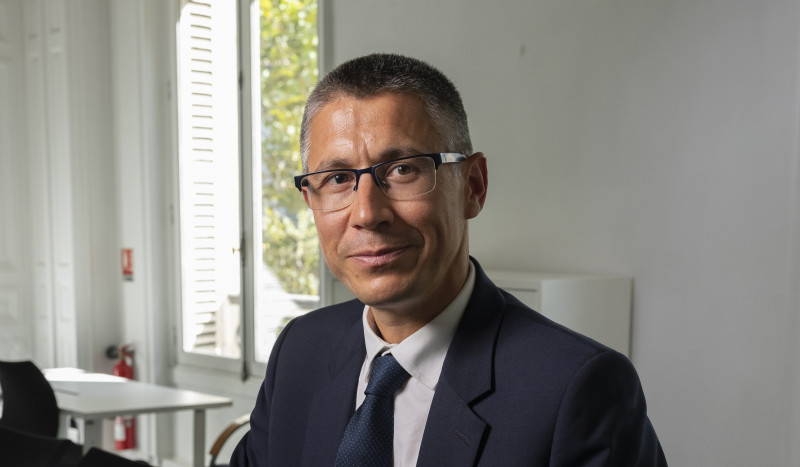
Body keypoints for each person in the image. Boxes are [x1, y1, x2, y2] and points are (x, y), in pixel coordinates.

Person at [231, 53, 666, 466]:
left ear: (473, 186)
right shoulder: (300, 351)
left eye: (403, 169)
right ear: (310, 200)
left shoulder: (576, 389)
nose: (367, 213)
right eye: (338, 178)